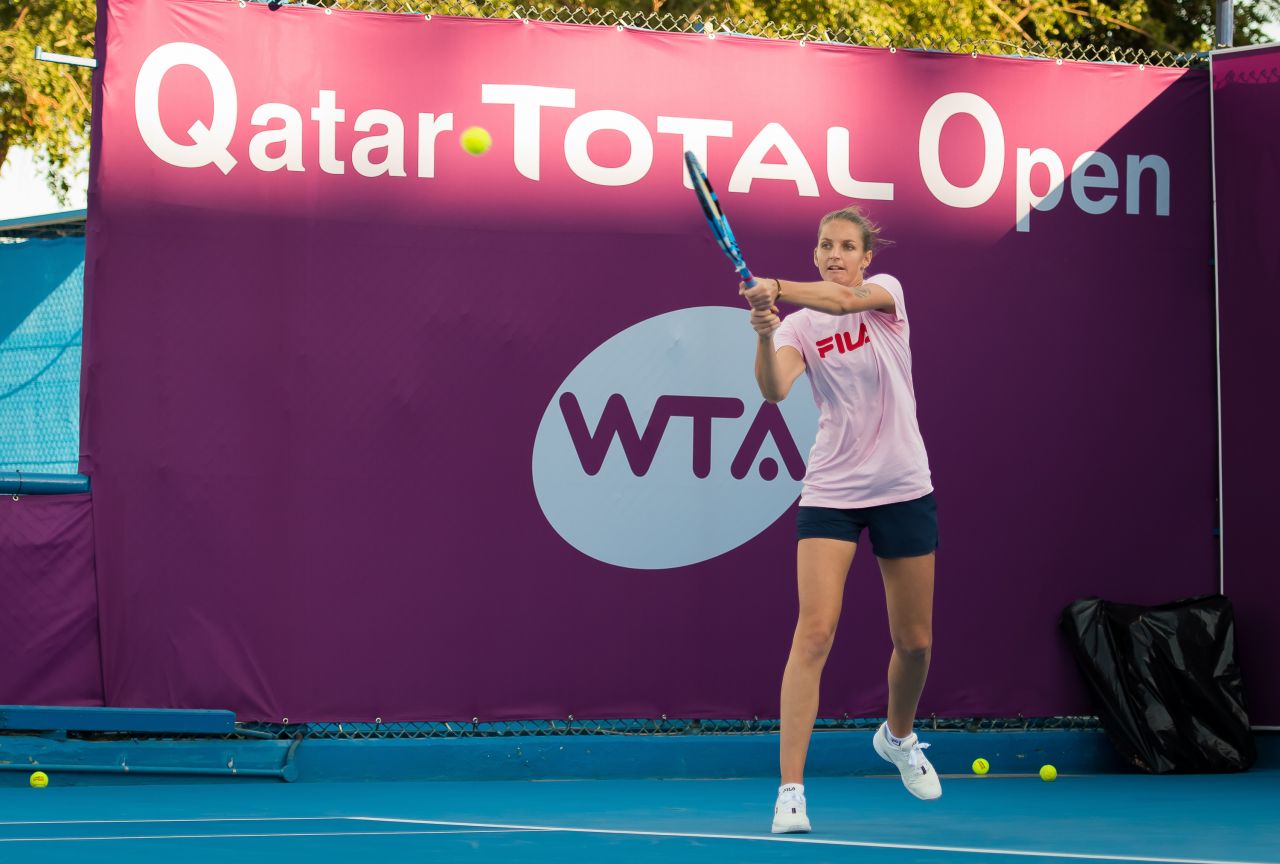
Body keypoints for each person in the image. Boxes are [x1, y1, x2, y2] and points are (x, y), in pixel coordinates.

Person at [739, 207, 940, 835]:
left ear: (865, 259)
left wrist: (774, 286)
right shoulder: (800, 323)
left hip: (904, 485)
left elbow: (836, 299)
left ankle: (897, 736)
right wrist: (766, 330)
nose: (833, 254)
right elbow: (774, 390)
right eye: (825, 244)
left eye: (846, 246)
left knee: (915, 642)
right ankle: (790, 791)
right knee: (815, 631)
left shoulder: (886, 299)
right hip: (832, 490)